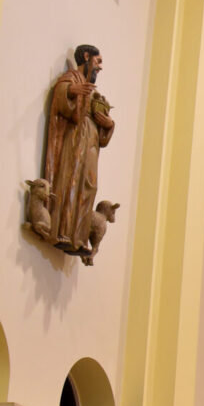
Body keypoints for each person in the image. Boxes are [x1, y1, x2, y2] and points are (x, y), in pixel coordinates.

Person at [43, 44, 115, 251]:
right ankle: (63, 231)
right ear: (86, 56)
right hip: (76, 140)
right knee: (71, 181)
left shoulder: (93, 91)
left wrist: (109, 125)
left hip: (92, 143)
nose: (100, 67)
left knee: (89, 187)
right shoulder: (72, 78)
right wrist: (71, 91)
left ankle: (81, 236)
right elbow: (61, 96)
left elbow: (104, 131)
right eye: (98, 61)